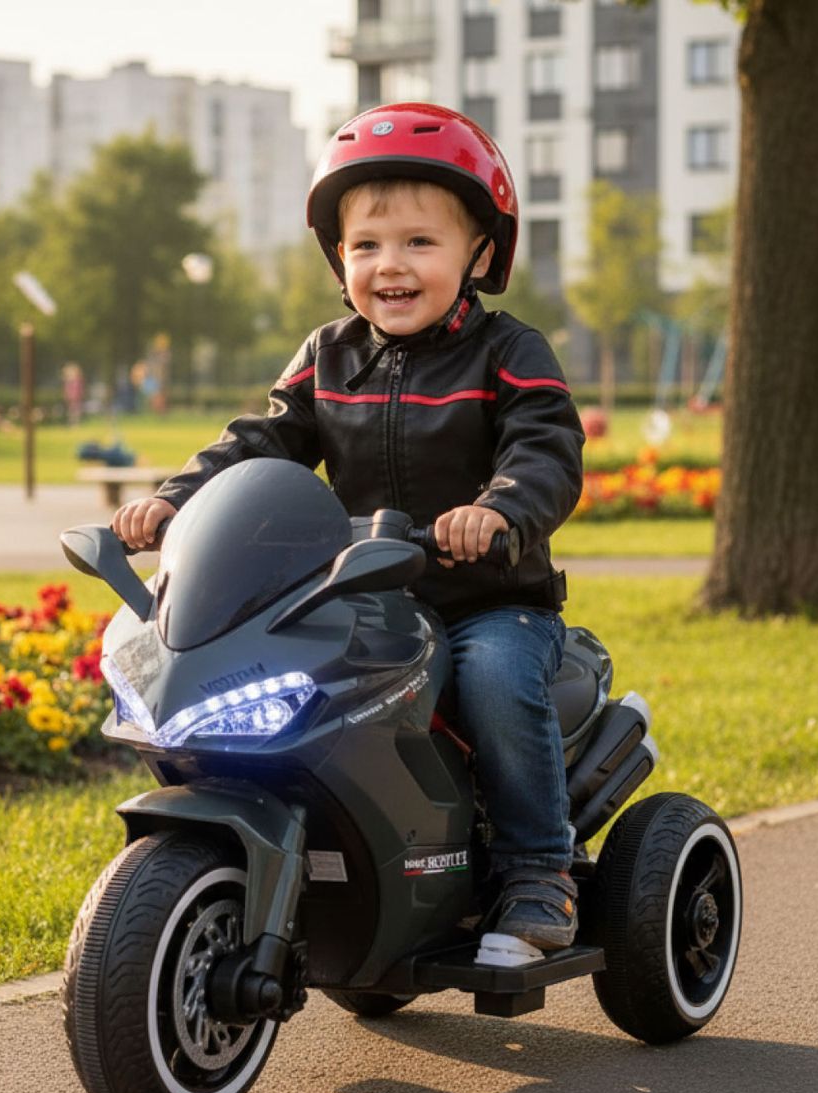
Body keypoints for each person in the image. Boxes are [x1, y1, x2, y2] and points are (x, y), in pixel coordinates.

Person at [111, 104, 585, 962]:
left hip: (488, 601)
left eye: (419, 242)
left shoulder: (510, 353)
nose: (389, 264)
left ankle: (537, 870)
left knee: (492, 680)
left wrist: (500, 511)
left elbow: (546, 450)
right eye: (366, 245)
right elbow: (260, 441)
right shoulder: (327, 355)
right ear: (339, 259)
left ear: (481, 254)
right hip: (362, 598)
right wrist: (177, 502)